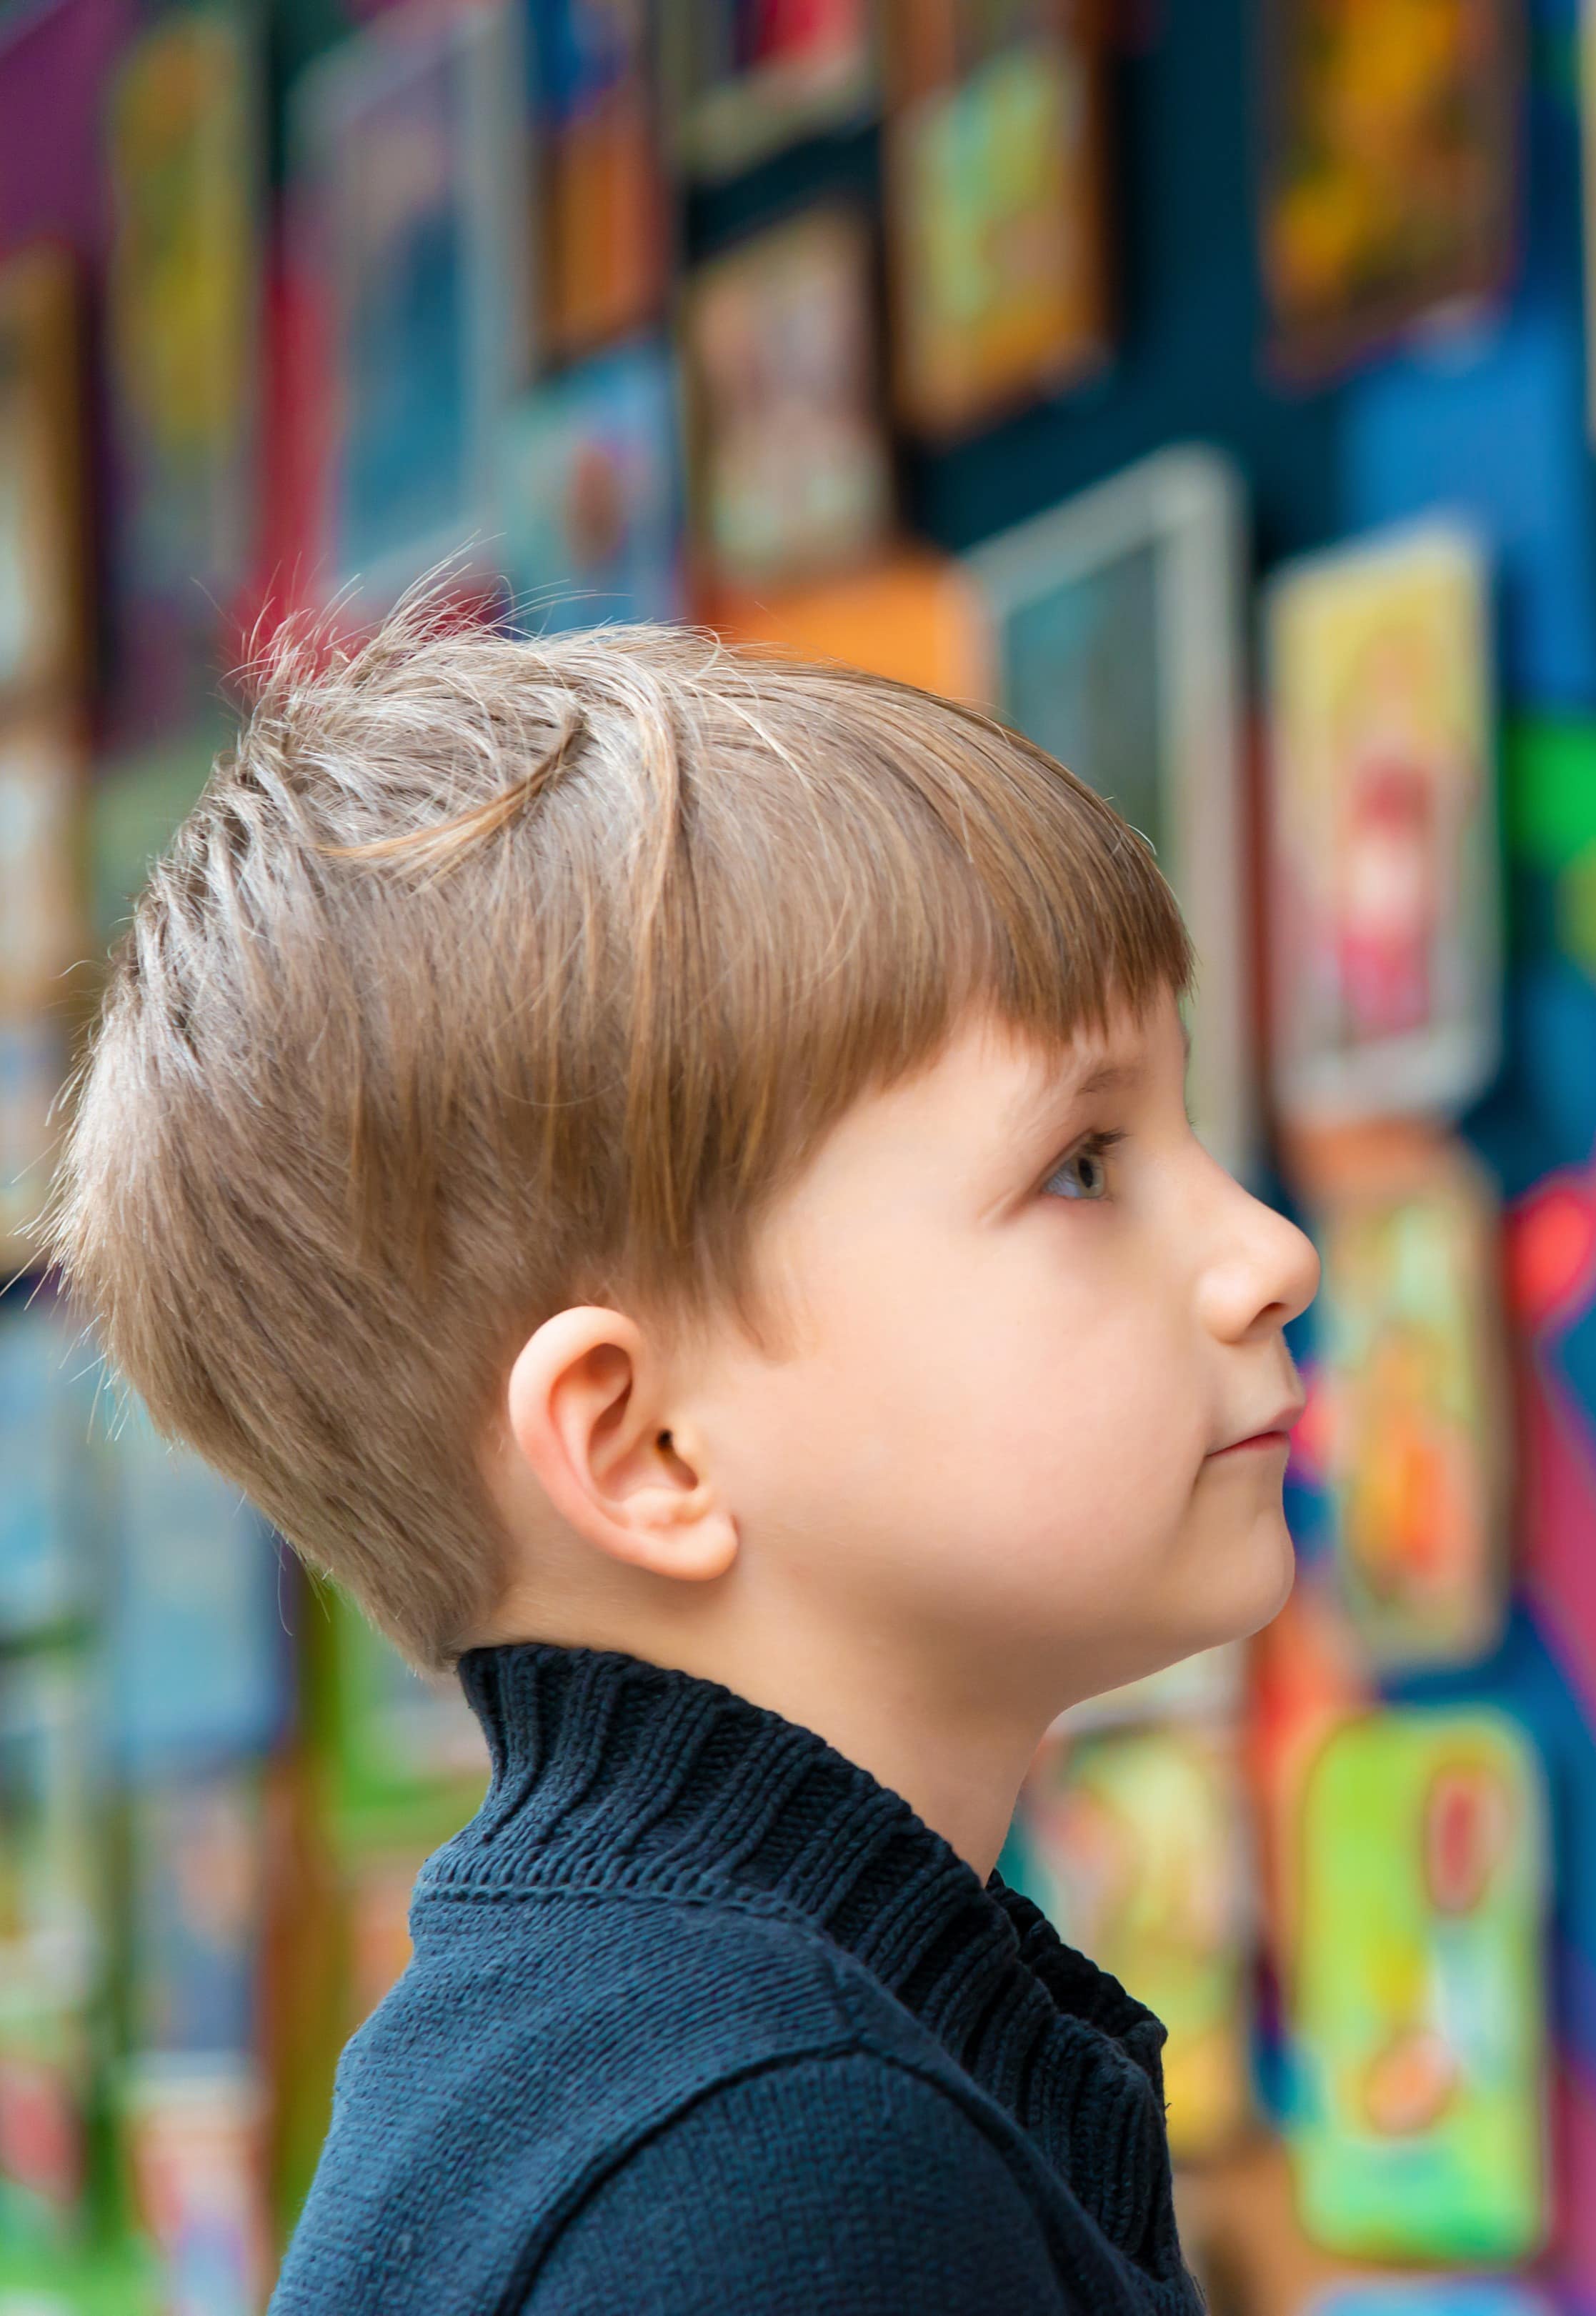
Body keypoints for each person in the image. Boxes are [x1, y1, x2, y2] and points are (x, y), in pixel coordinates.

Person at [46, 599, 1320, 2315]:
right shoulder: (772, 2164)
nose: (1267, 1254)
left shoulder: (614, 2059)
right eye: (1082, 1164)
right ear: (643, 1446)